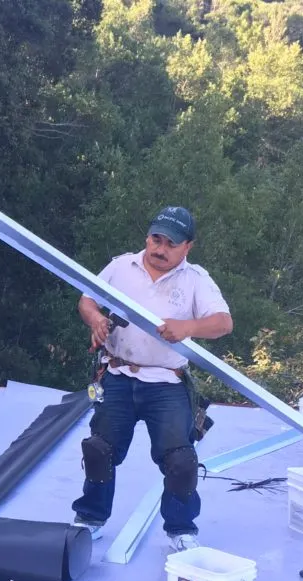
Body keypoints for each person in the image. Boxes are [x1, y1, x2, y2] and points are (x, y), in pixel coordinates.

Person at [71, 206, 233, 552]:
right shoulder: (120, 267)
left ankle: (180, 528)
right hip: (117, 374)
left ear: (187, 247)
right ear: (147, 236)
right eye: (155, 239)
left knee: (181, 460)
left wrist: (189, 327)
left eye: (170, 244)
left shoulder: (196, 281)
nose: (160, 249)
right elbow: (86, 299)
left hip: (166, 382)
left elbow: (223, 323)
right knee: (99, 450)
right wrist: (96, 320)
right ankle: (90, 518)